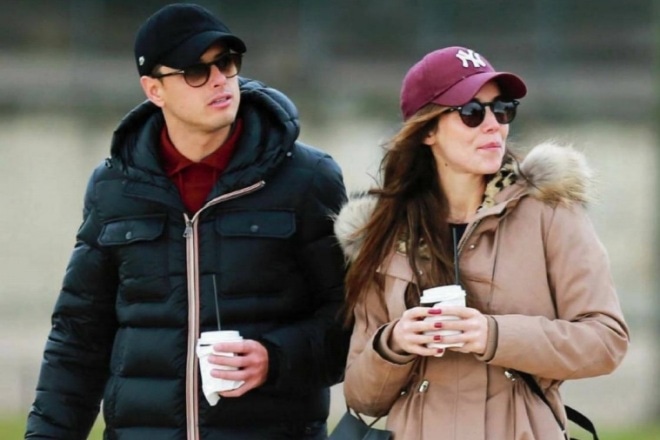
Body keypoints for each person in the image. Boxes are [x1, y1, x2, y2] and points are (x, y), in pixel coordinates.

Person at [25, 3, 349, 439]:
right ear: (154, 89)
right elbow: (79, 337)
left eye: (225, 63)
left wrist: (275, 358)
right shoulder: (114, 188)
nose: (219, 80)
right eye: (196, 71)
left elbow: (351, 320)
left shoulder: (307, 178)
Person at [333, 46, 630, 439]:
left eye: (502, 110)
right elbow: (362, 397)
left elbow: (606, 342)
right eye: (471, 112)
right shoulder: (384, 233)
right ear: (427, 131)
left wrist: (493, 335)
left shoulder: (550, 211)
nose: (493, 125)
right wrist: (395, 343)